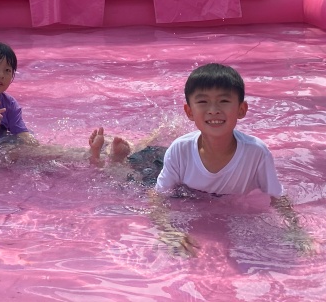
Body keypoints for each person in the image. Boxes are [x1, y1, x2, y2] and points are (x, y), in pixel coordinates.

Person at [92, 63, 309, 255]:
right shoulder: (181, 149)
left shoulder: (256, 153)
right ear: (189, 112)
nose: (213, 110)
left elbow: (277, 197)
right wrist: (167, 231)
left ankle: (128, 152)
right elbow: (157, 197)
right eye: (203, 102)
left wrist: (296, 232)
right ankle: (116, 160)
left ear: (241, 109)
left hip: (182, 176)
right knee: (127, 180)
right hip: (173, 177)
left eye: (224, 101)